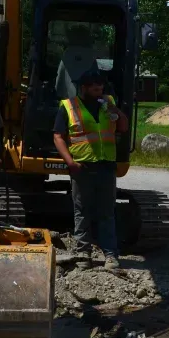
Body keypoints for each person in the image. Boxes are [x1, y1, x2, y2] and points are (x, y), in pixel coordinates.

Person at [52, 69, 129, 268]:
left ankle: (110, 255)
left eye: (101, 86)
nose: (99, 90)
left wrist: (116, 110)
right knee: (82, 211)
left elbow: (123, 127)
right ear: (83, 88)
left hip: (106, 166)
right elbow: (58, 136)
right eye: (94, 87)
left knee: (106, 212)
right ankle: (82, 254)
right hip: (82, 167)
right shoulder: (69, 107)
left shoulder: (107, 105)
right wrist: (70, 162)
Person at [55, 25, 97, 99]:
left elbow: (59, 87)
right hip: (89, 102)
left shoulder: (67, 54)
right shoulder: (91, 55)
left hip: (68, 104)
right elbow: (97, 82)